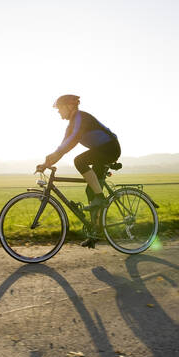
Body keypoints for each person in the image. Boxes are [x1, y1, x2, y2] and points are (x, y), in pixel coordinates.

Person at [37, 95, 121, 247]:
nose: (58, 112)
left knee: (79, 161)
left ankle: (101, 198)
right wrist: (45, 163)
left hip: (110, 148)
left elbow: (73, 140)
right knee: (91, 191)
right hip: (100, 151)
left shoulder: (80, 118)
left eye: (60, 108)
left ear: (69, 106)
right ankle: (96, 232)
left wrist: (54, 155)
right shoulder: (71, 124)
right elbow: (63, 147)